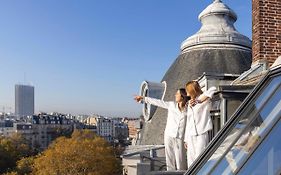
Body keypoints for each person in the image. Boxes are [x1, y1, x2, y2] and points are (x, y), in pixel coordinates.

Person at [134, 88, 189, 171]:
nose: (175, 95)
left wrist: (187, 139)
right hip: (169, 135)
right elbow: (158, 102)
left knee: (180, 160)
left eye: (177, 94)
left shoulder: (188, 109)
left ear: (182, 96)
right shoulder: (172, 105)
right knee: (169, 158)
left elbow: (189, 125)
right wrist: (143, 98)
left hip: (180, 137)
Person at [184, 81, 216, 167]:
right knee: (190, 161)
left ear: (191, 90)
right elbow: (189, 122)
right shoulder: (189, 104)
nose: (186, 91)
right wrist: (186, 139)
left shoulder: (203, 98)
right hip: (191, 135)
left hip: (201, 133)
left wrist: (198, 101)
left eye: (187, 89)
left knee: (200, 159)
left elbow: (213, 89)